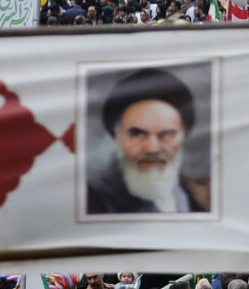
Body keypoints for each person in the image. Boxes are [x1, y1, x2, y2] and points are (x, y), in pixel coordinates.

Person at [84, 69, 205, 214]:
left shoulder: (199, 195)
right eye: (137, 134)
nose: (152, 148)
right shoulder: (95, 202)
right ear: (118, 136)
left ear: (182, 137)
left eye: (166, 135)